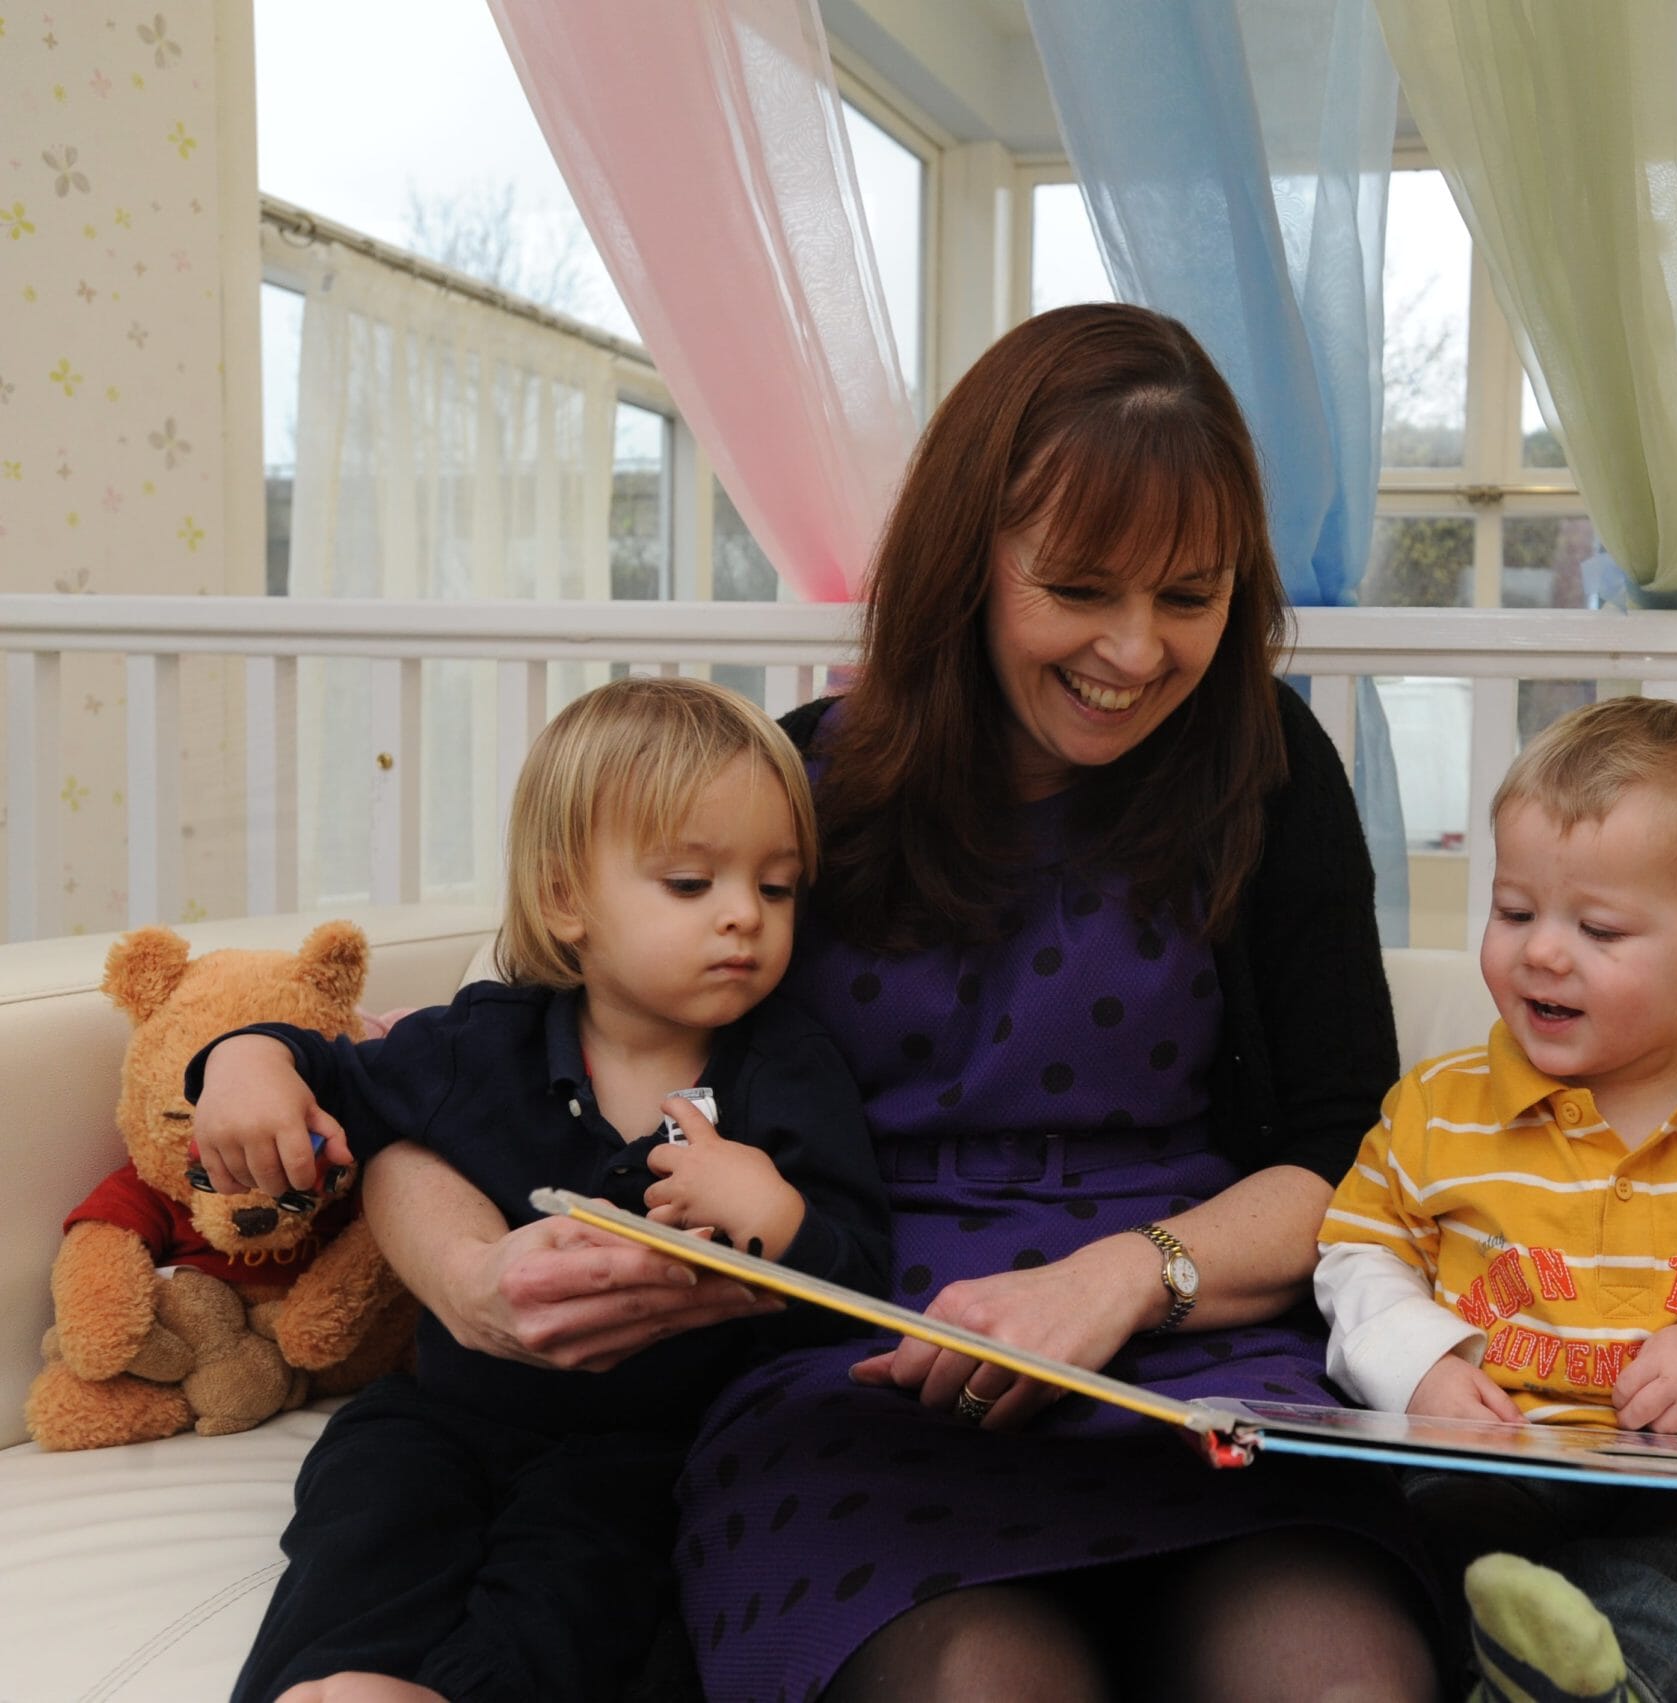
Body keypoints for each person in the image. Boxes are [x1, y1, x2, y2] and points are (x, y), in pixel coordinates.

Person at [353, 304, 1442, 1703]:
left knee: (1333, 1674)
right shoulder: (800, 786)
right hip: (854, 1368)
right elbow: (469, 1087)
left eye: (1190, 595)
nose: (1135, 650)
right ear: (970, 559)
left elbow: (1350, 1157)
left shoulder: (1267, 766)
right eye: (1080, 587)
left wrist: (1118, 1280)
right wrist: (474, 1287)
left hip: (1193, 1351)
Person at [187, 676, 892, 1703]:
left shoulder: (787, 1070)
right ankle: (328, 1683)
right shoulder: (484, 1039)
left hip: (644, 1447)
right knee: (364, 1516)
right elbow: (330, 1068)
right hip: (444, 1413)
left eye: (777, 887)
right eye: (692, 883)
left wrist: (775, 1212)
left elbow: (860, 1273)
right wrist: (244, 1059)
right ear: (567, 899)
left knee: (582, 1582)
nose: (745, 914)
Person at [1318, 696, 1677, 1703]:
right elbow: (1355, 1252)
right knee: (1382, 1565)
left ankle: (1608, 1687)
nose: (1543, 951)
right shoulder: (1439, 1105)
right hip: (1472, 1460)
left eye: (1597, 926)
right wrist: (1419, 1364)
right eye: (1514, 912)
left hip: (1675, 1486)